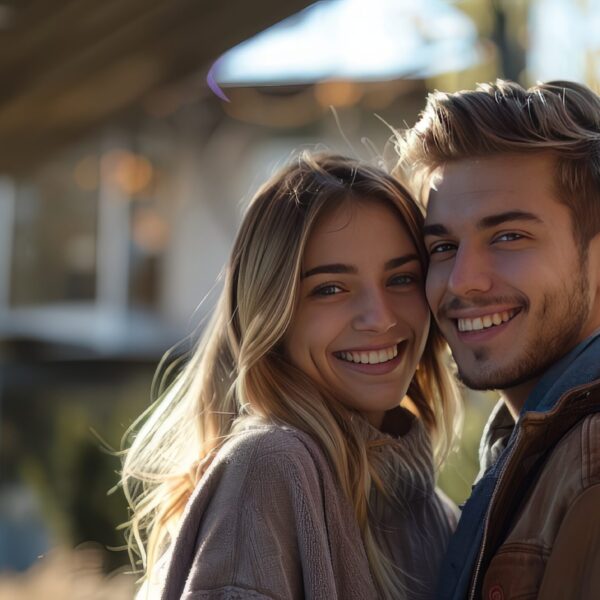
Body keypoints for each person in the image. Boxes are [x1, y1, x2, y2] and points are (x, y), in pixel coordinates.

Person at [121, 153, 461, 600]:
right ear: (273, 313)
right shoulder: (270, 467)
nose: (380, 318)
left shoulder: (440, 515)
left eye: (401, 279)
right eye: (330, 289)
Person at [397, 79, 600, 599]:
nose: (463, 279)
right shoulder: (531, 450)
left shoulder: (591, 460)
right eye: (443, 246)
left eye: (508, 236)